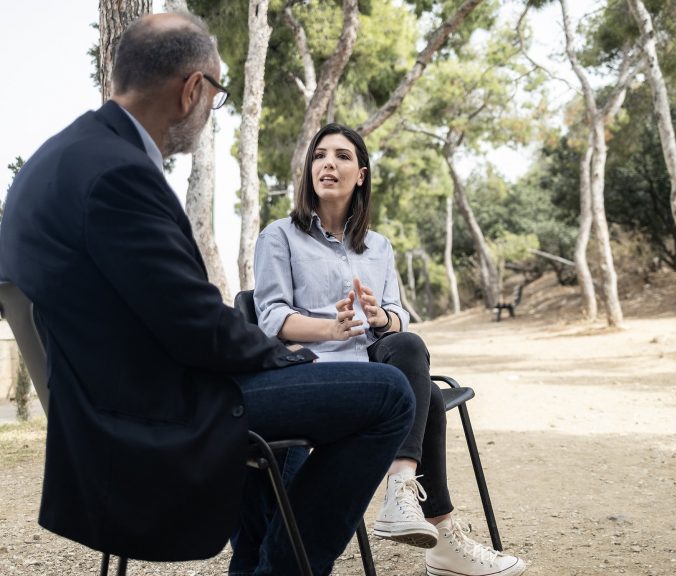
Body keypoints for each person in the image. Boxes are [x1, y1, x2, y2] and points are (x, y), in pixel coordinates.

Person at [0, 14, 415, 576]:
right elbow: (195, 323)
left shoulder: (63, 156)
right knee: (390, 395)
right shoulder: (118, 174)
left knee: (297, 432)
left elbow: (171, 310)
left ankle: (254, 563)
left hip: (110, 392)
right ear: (193, 89)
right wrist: (286, 357)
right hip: (156, 407)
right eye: (217, 94)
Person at [252, 123, 527, 576]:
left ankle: (401, 486)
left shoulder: (378, 246)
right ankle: (443, 542)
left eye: (342, 156)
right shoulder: (279, 236)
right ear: (309, 170)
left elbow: (399, 314)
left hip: (376, 362)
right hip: (313, 367)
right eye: (320, 155)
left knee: (408, 343)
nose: (327, 164)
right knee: (431, 397)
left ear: (360, 174)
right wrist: (331, 327)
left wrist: (380, 318)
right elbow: (271, 318)